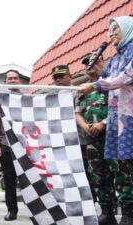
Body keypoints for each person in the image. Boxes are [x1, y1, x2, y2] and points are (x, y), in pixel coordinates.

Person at [79, 16, 133, 224]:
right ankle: (120, 213)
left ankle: (129, 212)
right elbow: (105, 78)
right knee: (124, 164)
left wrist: (93, 86)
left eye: (115, 29)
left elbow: (124, 78)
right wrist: (93, 80)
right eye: (108, 31)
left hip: (130, 117)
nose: (110, 34)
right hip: (117, 119)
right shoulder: (116, 58)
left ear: (127, 29)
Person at [52, 64, 97, 202]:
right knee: (66, 174)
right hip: (61, 142)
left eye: (61, 76)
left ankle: (91, 201)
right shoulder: (52, 98)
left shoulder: (78, 91)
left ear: (69, 76)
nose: (58, 79)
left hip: (80, 140)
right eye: (55, 77)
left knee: (85, 172)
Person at [0, 70, 21, 221]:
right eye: (10, 79)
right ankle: (12, 210)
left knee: (31, 178)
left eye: (16, 78)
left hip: (25, 145)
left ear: (20, 81)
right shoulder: (0, 101)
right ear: (5, 82)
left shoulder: (27, 99)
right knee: (9, 179)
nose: (13, 80)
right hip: (5, 144)